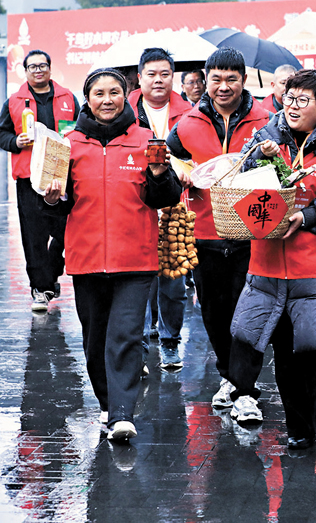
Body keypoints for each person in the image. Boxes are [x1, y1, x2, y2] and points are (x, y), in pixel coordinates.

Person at [43, 68, 182, 440]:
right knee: (95, 339)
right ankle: (108, 404)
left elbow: (165, 198)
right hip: (87, 259)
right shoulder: (68, 144)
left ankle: (123, 414)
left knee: (125, 336)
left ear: (126, 95)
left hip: (135, 260)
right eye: (99, 93)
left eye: (115, 92)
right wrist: (54, 199)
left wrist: (158, 174)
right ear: (87, 99)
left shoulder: (145, 141)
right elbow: (58, 207)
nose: (107, 100)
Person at [227, 69, 316, 450]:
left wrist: (305, 216)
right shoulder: (263, 140)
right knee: (283, 352)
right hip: (270, 267)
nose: (293, 106)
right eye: (289, 98)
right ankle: (298, 429)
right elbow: (243, 184)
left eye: (303, 101)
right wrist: (260, 165)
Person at [166, 48, 270, 408]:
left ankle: (245, 389)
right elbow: (170, 158)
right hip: (204, 231)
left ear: (244, 80)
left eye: (232, 79)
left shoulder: (266, 121)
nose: (223, 86)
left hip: (252, 233)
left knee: (249, 314)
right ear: (206, 80)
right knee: (213, 312)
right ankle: (230, 376)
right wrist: (179, 170)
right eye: (216, 79)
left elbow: (284, 169)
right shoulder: (188, 123)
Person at [129, 47, 192, 370]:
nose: (158, 80)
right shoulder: (124, 112)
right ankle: (138, 346)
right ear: (139, 78)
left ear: (173, 77)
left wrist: (187, 171)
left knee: (173, 281)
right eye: (151, 74)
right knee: (138, 282)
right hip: (136, 208)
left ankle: (169, 341)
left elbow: (199, 155)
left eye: (164, 74)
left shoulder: (190, 112)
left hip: (175, 209)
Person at [0, 49, 78, 312]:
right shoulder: (14, 101)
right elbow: (2, 134)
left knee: (65, 230)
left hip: (61, 175)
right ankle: (40, 289)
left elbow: (80, 130)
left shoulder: (68, 97)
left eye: (42, 65)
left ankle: (51, 273)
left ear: (50, 68)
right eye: (32, 67)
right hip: (28, 177)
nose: (38, 70)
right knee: (34, 236)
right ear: (25, 72)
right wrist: (15, 141)